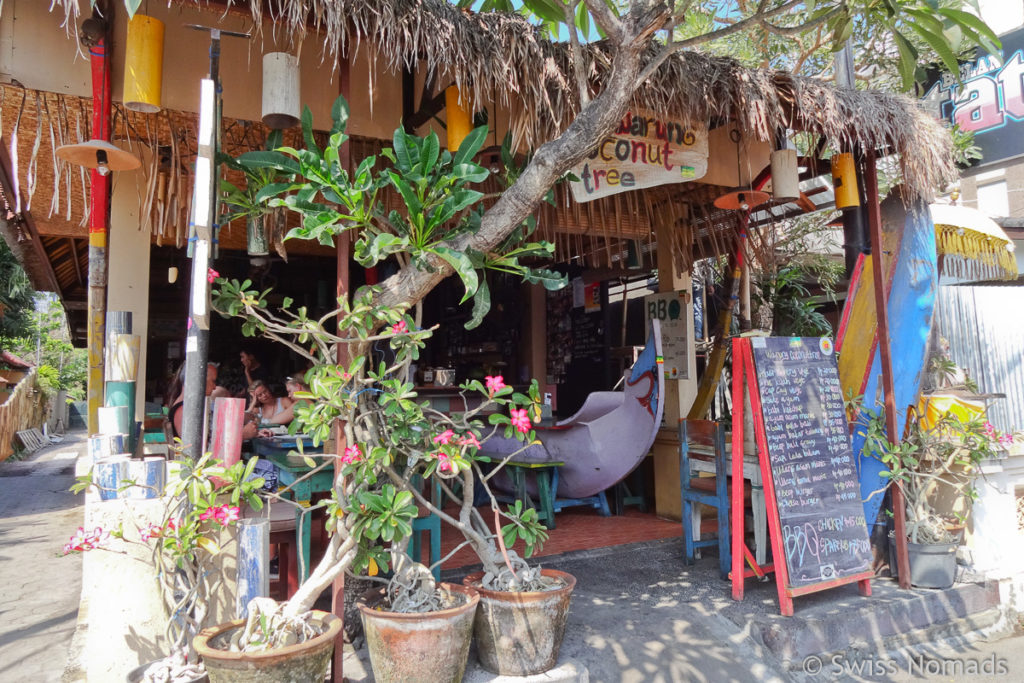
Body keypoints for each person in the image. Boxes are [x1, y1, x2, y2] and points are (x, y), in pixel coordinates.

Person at [167, 362, 218, 439]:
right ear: (199, 380)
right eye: (213, 381)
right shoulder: (183, 411)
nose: (215, 387)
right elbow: (191, 445)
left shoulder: (186, 407)